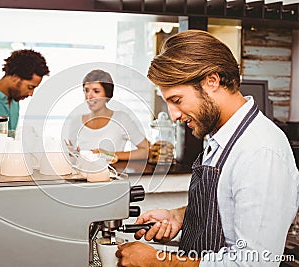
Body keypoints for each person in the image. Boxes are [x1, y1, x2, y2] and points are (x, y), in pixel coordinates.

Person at [116, 30, 299, 266]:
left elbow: (254, 263)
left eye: (177, 100)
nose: (173, 115)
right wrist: (181, 216)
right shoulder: (223, 136)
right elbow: (227, 206)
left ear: (211, 81)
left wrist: (157, 262)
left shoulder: (260, 151)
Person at [67, 69, 149, 161]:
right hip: (81, 174)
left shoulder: (121, 119)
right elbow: (71, 154)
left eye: (96, 91)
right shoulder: (76, 122)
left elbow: (146, 150)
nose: (89, 96)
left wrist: (108, 154)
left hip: (112, 174)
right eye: (86, 90)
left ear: (107, 93)